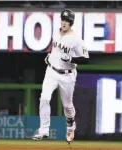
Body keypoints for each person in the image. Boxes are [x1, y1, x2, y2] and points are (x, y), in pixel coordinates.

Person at [32, 9, 89, 144]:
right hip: (51, 71)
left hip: (67, 76)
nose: (64, 22)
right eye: (63, 19)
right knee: (44, 98)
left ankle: (70, 126)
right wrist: (50, 57)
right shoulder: (56, 32)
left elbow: (86, 59)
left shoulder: (76, 40)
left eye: (67, 21)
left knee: (67, 105)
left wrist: (70, 58)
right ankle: (43, 130)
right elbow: (55, 49)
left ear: (71, 23)